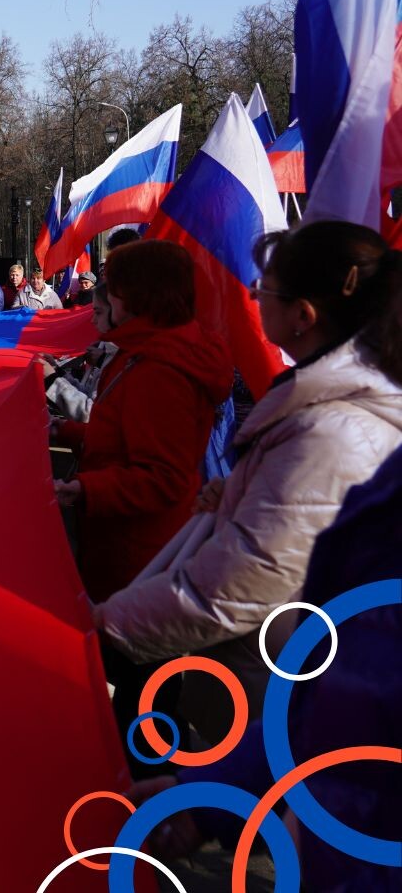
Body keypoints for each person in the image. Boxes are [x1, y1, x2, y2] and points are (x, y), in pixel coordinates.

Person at [95, 221, 402, 744]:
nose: (253, 298)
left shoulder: (329, 432)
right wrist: (239, 497)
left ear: (303, 316)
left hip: (281, 696)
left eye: (265, 290)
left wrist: (102, 627)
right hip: (269, 674)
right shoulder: (322, 413)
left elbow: (241, 584)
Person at [129, 441, 402, 891]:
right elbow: (338, 704)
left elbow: (259, 564)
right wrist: (210, 799)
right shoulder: (381, 480)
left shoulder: (333, 431)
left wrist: (118, 622)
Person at [50, 241, 233, 777]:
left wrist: (84, 489)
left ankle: (152, 801)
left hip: (142, 557)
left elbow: (162, 476)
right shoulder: (144, 355)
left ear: (139, 296)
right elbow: (125, 436)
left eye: (118, 286)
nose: (107, 296)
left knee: (143, 695)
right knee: (138, 684)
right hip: (133, 552)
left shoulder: (161, 369)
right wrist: (67, 431)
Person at [44, 283, 117, 421]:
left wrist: (52, 380)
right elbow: (87, 394)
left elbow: (91, 414)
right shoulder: (108, 349)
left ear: (117, 311)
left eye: (98, 312)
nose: (93, 320)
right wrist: (57, 372)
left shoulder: (123, 358)